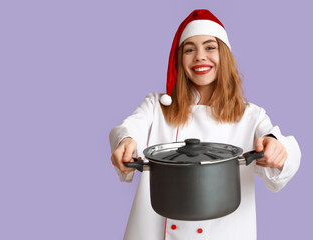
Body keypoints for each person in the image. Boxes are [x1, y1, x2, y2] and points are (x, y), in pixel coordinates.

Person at [109, 9, 301, 240]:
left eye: (210, 47)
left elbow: (280, 146)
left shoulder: (250, 115)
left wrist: (277, 147)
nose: (200, 56)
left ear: (225, 55)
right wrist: (126, 141)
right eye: (189, 49)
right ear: (179, 59)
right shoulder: (157, 106)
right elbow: (128, 129)